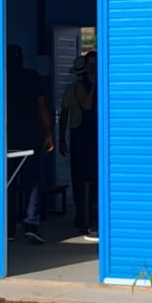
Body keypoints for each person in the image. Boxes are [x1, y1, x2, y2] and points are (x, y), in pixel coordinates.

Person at [6, 44, 55, 245]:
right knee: (32, 182)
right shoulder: (32, 77)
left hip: (7, 138)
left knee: (8, 183)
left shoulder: (0, 77)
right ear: (22, 60)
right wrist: (49, 133)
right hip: (30, 137)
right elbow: (42, 107)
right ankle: (30, 225)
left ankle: (8, 228)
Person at [60, 51, 99, 240]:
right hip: (81, 136)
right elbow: (86, 106)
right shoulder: (77, 87)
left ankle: (91, 217)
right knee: (82, 179)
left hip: (94, 136)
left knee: (94, 178)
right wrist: (61, 138)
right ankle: (84, 220)